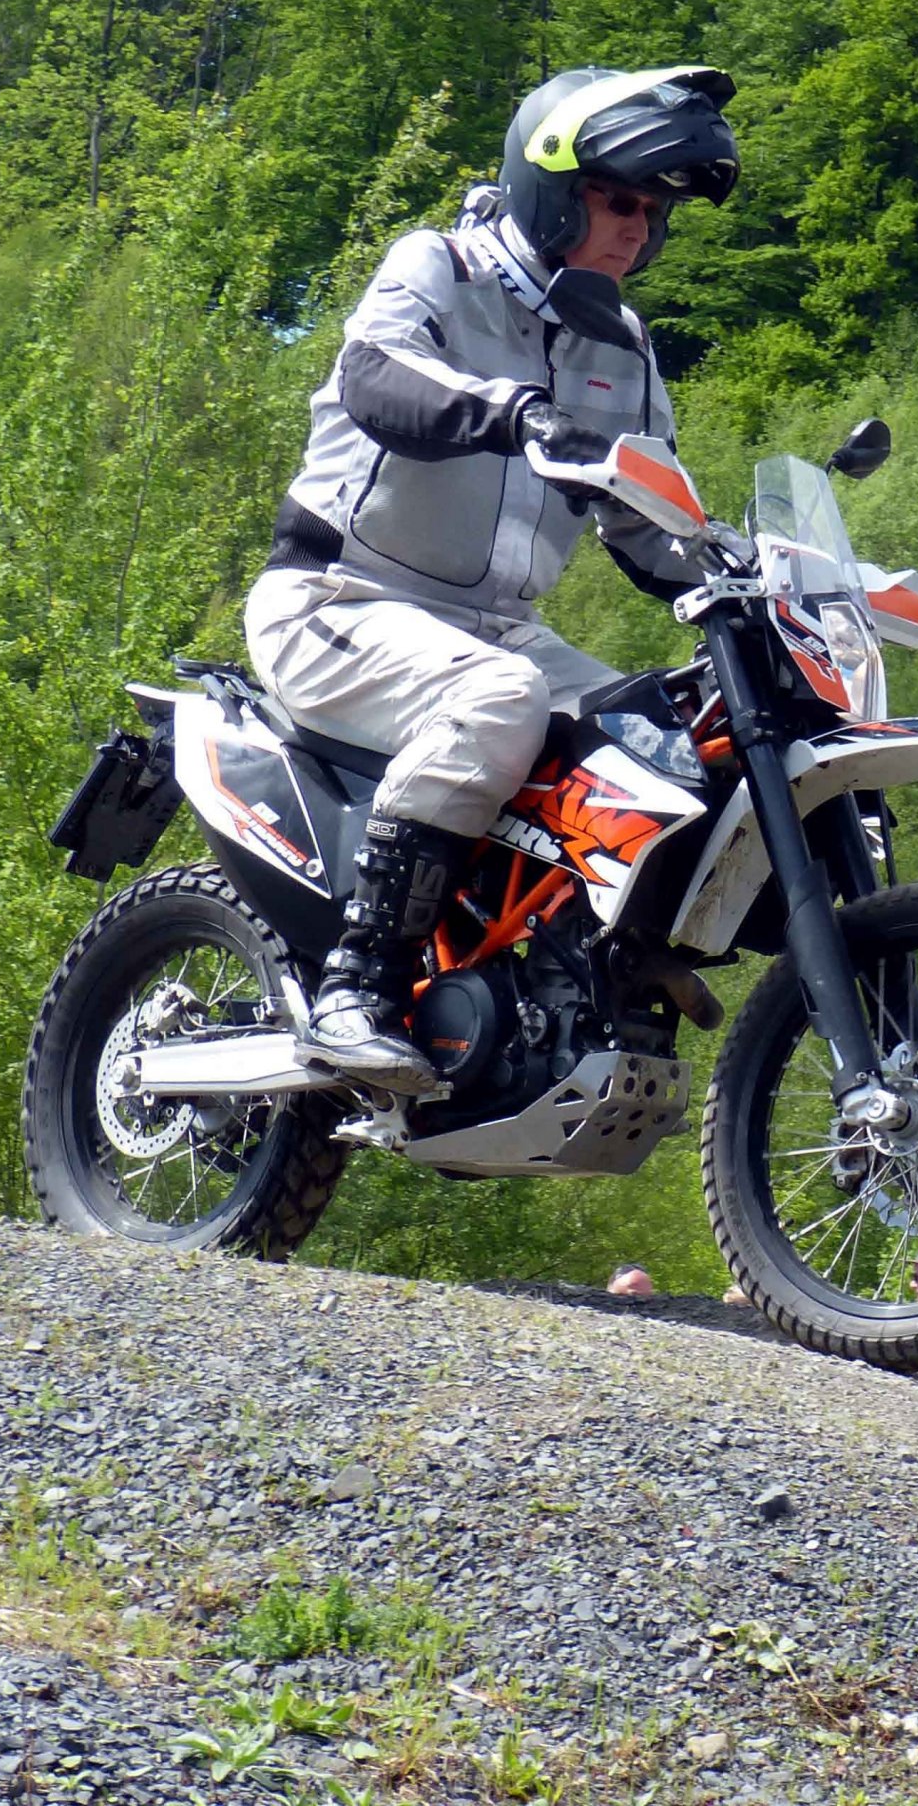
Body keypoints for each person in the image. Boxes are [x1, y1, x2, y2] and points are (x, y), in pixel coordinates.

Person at [247, 65, 740, 1094]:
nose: (637, 228)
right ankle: (358, 987)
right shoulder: (439, 266)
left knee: (666, 742)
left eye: (651, 212)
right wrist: (513, 411)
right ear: (550, 186)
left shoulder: (624, 350)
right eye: (616, 200)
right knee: (501, 698)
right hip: (340, 599)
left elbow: (651, 522)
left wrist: (741, 569)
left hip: (492, 628)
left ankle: (594, 962)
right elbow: (375, 373)